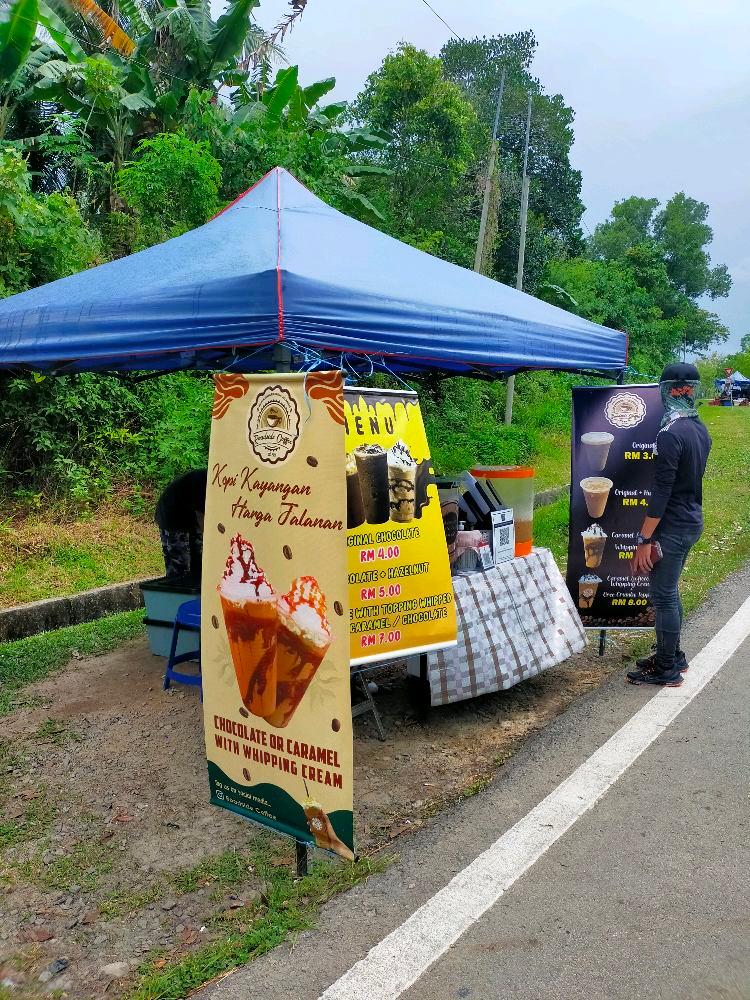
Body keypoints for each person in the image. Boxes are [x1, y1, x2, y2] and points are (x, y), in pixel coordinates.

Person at [627, 363, 711, 687]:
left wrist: (643, 539)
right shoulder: (699, 428)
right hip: (691, 521)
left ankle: (666, 668)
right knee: (669, 590)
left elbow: (661, 492)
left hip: (672, 528)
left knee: (662, 596)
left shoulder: (669, 434)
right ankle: (672, 655)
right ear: (693, 391)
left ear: (666, 391)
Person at [155, 469, 208, 579]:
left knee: (198, 563)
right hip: (172, 516)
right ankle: (178, 591)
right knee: (181, 564)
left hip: (190, 516)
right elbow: (202, 518)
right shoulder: (204, 482)